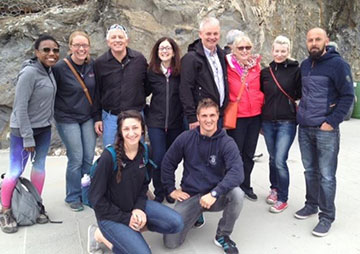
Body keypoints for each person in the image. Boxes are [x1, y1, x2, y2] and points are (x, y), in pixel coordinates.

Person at [88, 110, 183, 254]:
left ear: (142, 129)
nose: (131, 133)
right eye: (126, 129)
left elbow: (144, 185)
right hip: (110, 215)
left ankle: (131, 234)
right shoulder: (109, 157)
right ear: (120, 131)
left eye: (135, 128)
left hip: (133, 205)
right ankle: (100, 235)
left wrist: (138, 209)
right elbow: (95, 199)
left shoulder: (146, 151)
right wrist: (127, 219)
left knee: (176, 224)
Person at [161, 98, 244, 254]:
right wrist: (171, 189)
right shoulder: (186, 138)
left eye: (212, 115)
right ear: (197, 117)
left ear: (218, 116)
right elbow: (167, 162)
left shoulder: (226, 142)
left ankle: (223, 235)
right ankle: (196, 215)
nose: (208, 120)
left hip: (215, 196)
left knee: (238, 194)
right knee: (171, 243)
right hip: (191, 195)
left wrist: (215, 193)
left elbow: (237, 172)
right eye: (204, 116)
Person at [295, 28, 354, 237]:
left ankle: (327, 216)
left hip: (325, 130)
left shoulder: (338, 65)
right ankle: (311, 204)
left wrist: (331, 122)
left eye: (317, 39)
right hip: (305, 128)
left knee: (327, 175)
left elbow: (348, 97)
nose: (313, 43)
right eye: (310, 39)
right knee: (310, 171)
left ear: (326, 41)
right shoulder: (304, 65)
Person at [0, 34, 60, 233]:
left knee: (39, 167)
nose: (51, 53)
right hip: (23, 131)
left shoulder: (49, 71)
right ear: (36, 52)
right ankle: (5, 211)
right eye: (46, 50)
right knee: (15, 170)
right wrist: (27, 136)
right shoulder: (29, 73)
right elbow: (20, 107)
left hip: (43, 129)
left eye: (55, 50)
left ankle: (36, 204)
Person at [53, 31, 96, 212]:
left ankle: (85, 192)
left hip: (87, 116)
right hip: (67, 118)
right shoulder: (60, 68)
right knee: (76, 157)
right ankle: (72, 195)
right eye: (77, 45)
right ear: (70, 47)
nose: (81, 49)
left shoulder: (92, 65)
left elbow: (98, 92)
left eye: (84, 45)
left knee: (88, 157)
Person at [260, 35, 301, 213]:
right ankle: (274, 188)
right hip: (268, 120)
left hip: (287, 121)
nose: (279, 54)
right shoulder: (265, 72)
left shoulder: (295, 70)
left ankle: (283, 198)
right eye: (276, 51)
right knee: (271, 158)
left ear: (288, 52)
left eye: (283, 51)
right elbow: (261, 95)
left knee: (279, 159)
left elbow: (300, 93)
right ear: (272, 51)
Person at [93, 24, 147, 146]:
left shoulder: (139, 59)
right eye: (113, 37)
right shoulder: (100, 63)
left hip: (135, 115)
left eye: (120, 37)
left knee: (138, 153)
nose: (117, 40)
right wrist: (97, 118)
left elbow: (146, 85)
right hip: (111, 116)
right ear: (108, 42)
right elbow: (97, 92)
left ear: (127, 41)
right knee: (111, 153)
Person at [225, 34, 264, 201]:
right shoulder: (227, 66)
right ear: (233, 49)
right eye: (240, 48)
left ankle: (246, 185)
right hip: (237, 116)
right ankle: (233, 186)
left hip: (254, 115)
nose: (245, 51)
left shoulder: (256, 66)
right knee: (236, 154)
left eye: (248, 47)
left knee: (249, 153)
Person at [145, 37, 183, 203]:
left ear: (174, 51)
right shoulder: (151, 72)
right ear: (157, 52)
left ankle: (170, 189)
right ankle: (159, 191)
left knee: (172, 158)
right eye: (162, 48)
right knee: (159, 158)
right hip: (156, 123)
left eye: (168, 48)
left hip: (176, 122)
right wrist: (147, 113)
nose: (165, 51)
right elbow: (142, 92)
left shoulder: (179, 72)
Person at [180, 16, 228, 130]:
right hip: (199, 117)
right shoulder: (190, 58)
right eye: (208, 34)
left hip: (217, 115)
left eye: (215, 34)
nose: (212, 37)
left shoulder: (222, 55)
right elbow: (185, 88)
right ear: (200, 34)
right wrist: (192, 117)